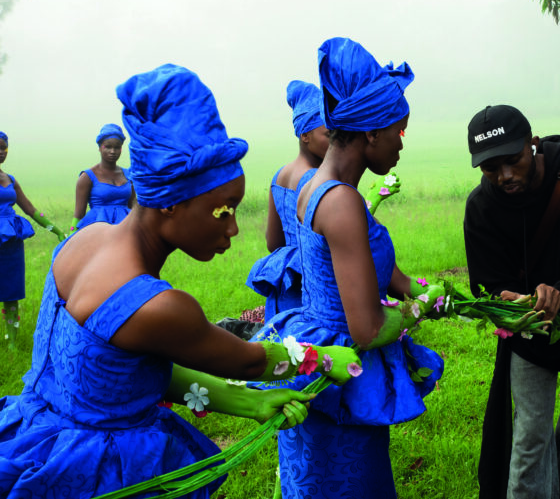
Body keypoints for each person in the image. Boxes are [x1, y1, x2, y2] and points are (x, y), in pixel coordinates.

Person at [0, 64, 360, 498]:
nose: (232, 229)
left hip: (34, 439)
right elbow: (249, 361)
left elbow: (129, 372)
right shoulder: (159, 307)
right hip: (98, 467)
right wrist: (320, 359)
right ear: (170, 204)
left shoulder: (83, 242)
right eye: (223, 209)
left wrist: (248, 402)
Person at [252, 38, 445, 499]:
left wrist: (408, 286)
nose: (402, 144)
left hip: (318, 345)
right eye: (399, 131)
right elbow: (365, 327)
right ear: (371, 133)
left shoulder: (317, 186)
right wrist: (419, 308)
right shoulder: (341, 202)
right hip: (343, 367)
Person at [463, 105, 560, 499]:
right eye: (490, 168)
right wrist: (511, 302)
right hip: (528, 339)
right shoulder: (481, 207)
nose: (505, 176)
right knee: (530, 439)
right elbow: (485, 287)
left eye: (513, 160)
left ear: (532, 145)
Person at [246, 80, 402, 324]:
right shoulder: (316, 183)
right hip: (314, 288)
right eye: (328, 135)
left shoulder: (279, 176)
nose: (334, 142)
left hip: (282, 295)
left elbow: (272, 241)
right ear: (305, 135)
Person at [0, 131, 66, 350]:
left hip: (11, 242)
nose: (1, 152)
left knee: (11, 291)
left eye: (3, 148)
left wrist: (55, 229)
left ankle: (12, 341)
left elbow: (29, 209)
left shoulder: (10, 180)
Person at [70, 123, 135, 233]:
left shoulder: (129, 175)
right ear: (100, 147)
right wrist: (70, 237)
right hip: (98, 229)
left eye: (117, 147)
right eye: (108, 147)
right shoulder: (87, 177)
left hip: (126, 229)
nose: (112, 151)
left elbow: (133, 207)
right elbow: (79, 214)